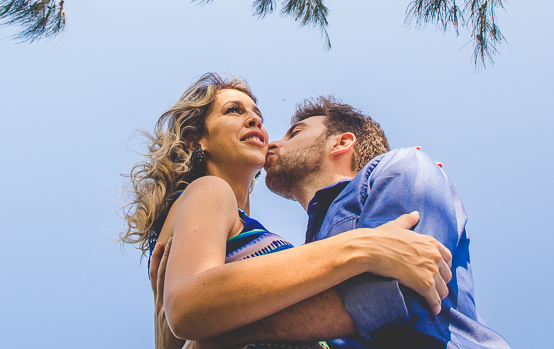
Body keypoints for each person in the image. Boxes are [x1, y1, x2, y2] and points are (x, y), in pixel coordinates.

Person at [121, 74, 453, 349]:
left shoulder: (245, 223)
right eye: (233, 111)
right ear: (197, 142)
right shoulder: (210, 191)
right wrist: (365, 246)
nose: (255, 120)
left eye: (257, 115)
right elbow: (190, 308)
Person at [185, 96, 513, 349]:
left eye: (295, 133)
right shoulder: (312, 254)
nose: (273, 142)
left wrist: (223, 332)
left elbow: (405, 292)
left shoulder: (403, 166)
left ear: (341, 143)